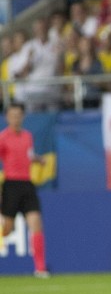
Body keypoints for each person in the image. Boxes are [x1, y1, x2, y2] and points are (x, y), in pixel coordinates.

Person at [0, 102, 49, 277]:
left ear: (23, 117)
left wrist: (37, 159)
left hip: (27, 185)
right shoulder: (3, 138)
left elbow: (27, 155)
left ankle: (40, 268)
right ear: (7, 117)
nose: (15, 119)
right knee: (7, 230)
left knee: (36, 223)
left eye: (18, 115)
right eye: (12, 116)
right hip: (11, 185)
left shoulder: (28, 136)